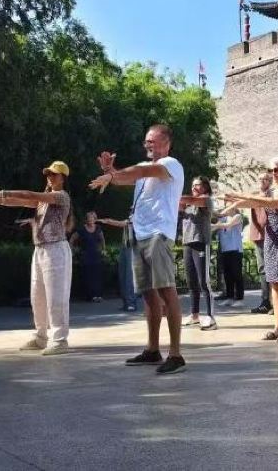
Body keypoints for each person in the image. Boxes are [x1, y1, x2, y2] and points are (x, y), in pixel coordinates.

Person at [89, 124, 187, 375]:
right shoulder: (143, 170)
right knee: (148, 294)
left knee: (166, 290)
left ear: (167, 143)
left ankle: (175, 354)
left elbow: (144, 171)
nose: (148, 145)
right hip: (139, 234)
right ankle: (153, 349)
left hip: (158, 234)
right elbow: (125, 177)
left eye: (152, 141)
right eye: (146, 141)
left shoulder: (171, 164)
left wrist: (113, 175)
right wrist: (110, 172)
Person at [0, 161, 74, 355]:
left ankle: (60, 340)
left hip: (56, 249)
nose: (50, 177)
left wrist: (2, 193)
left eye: (54, 174)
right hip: (40, 249)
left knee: (56, 297)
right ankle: (41, 337)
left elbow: (29, 195)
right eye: (48, 174)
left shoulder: (61, 196)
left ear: (63, 178)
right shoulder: (43, 201)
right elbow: (21, 201)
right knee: (38, 296)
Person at [225, 157, 278, 344]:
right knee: (275, 283)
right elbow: (255, 203)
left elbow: (274, 203)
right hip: (271, 239)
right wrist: (234, 202)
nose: (273, 173)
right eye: (270, 170)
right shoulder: (269, 191)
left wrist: (242, 195)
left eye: (276, 169)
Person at [178, 176, 217, 330]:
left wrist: (173, 194)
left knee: (204, 282)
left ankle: (211, 318)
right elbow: (178, 207)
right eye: (192, 185)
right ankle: (194, 316)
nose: (194, 187)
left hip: (201, 243)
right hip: (187, 243)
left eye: (198, 185)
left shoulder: (206, 200)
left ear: (205, 187)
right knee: (191, 282)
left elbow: (191, 200)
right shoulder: (188, 203)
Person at [96, 216, 141, 311]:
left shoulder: (139, 216)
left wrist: (108, 221)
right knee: (122, 274)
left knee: (129, 276)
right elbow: (124, 223)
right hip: (125, 245)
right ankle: (126, 303)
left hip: (133, 246)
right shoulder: (132, 216)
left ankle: (131, 303)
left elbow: (123, 223)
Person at [248, 171, 274, 314]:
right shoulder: (254, 196)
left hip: (271, 235)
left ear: (270, 182)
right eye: (260, 179)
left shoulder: (273, 195)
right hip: (258, 235)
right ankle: (265, 302)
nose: (262, 181)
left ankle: (275, 303)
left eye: (265, 179)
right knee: (262, 269)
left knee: (273, 269)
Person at [212, 206, 246, 307]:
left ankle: (240, 299)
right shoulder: (223, 219)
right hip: (225, 250)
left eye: (229, 208)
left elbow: (228, 225)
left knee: (237, 274)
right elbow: (216, 225)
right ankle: (229, 297)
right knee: (227, 276)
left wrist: (215, 225)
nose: (226, 209)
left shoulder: (238, 216)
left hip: (235, 250)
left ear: (234, 209)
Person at [72, 211, 106, 303]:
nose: (91, 220)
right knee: (88, 275)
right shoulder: (82, 229)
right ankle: (90, 295)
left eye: (92, 218)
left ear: (95, 219)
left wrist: (103, 249)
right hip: (86, 255)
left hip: (96, 254)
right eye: (89, 218)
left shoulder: (98, 228)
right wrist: (73, 249)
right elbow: (73, 238)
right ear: (86, 219)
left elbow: (102, 239)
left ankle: (98, 295)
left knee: (97, 275)